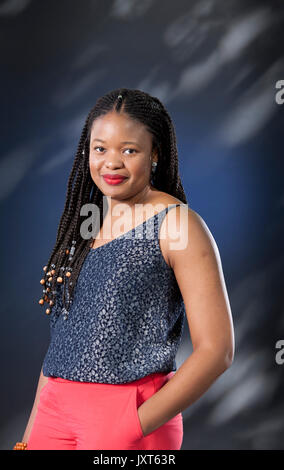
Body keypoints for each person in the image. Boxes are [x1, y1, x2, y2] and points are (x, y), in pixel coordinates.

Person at [14, 88, 234, 451]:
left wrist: (133, 423)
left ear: (155, 154)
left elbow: (217, 350)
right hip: (52, 412)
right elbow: (64, 340)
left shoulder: (177, 225)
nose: (111, 163)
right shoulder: (86, 222)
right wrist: (30, 433)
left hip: (128, 416)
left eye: (128, 150)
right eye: (100, 149)